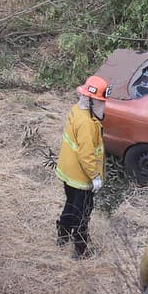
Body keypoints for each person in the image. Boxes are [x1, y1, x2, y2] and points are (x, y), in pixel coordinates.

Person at [54, 74, 110, 259]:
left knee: (70, 204)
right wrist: (95, 176)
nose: (104, 106)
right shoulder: (87, 123)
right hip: (81, 177)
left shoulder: (77, 111)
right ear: (90, 100)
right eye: (101, 102)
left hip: (69, 173)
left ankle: (62, 235)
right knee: (82, 213)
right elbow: (86, 155)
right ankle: (81, 250)